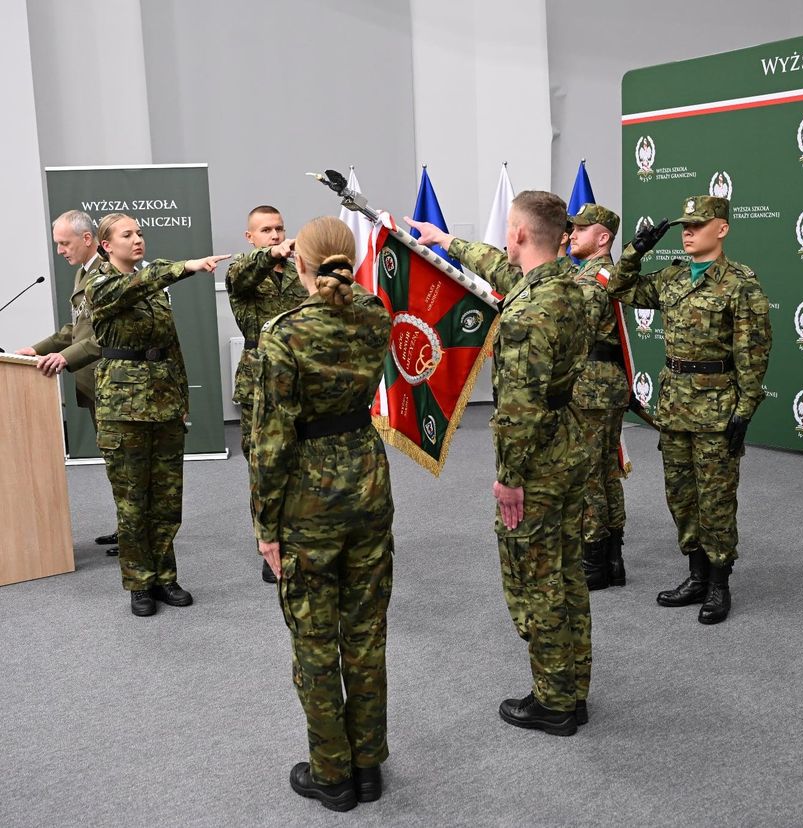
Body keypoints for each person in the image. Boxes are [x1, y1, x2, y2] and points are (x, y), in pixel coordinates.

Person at [407, 191, 591, 736]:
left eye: (507, 231)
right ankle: (572, 688)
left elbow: (517, 411)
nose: (502, 241)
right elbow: (501, 269)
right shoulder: (569, 287)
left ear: (518, 234)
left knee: (536, 582)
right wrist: (446, 243)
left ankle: (555, 701)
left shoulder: (529, 315)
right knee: (566, 571)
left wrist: (509, 479)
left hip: (536, 462)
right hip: (570, 447)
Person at [251, 216, 393, 812]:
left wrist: (265, 526)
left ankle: (330, 773)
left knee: (314, 635)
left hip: (309, 497)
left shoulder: (284, 333)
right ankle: (367, 767)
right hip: (367, 482)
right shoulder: (376, 317)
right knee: (365, 633)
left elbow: (270, 439)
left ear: (300, 266)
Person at [606, 195, 771, 625]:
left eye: (699, 224)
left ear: (723, 229)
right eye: (685, 225)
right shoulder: (672, 279)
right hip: (676, 405)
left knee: (716, 498)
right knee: (680, 495)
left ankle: (719, 582)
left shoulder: (739, 283)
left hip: (717, 406)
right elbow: (619, 289)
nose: (689, 231)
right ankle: (696, 575)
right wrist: (636, 250)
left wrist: (745, 409)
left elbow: (753, 352)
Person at [85, 213, 229, 617]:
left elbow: (171, 344)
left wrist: (182, 395)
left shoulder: (153, 288)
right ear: (105, 245)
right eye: (127, 235)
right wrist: (185, 266)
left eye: (140, 233)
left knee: (167, 498)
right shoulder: (103, 285)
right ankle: (138, 582)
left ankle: (165, 576)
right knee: (133, 501)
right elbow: (137, 284)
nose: (137, 240)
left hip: (163, 402)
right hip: (123, 408)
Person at [16, 210, 118, 553]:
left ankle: (136, 533)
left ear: (87, 239)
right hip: (93, 384)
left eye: (64, 242)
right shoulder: (82, 274)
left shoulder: (107, 273)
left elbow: (105, 336)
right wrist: (36, 349)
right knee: (114, 463)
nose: (59, 249)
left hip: (113, 383)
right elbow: (75, 330)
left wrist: (65, 357)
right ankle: (127, 527)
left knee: (124, 464)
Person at [225, 205, 309, 584]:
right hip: (258, 382)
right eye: (266, 230)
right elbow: (242, 275)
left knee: (301, 461)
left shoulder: (299, 272)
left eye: (279, 229)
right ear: (250, 237)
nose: (275, 235)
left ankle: (299, 538)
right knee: (263, 467)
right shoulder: (243, 271)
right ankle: (268, 542)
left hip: (298, 380)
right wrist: (271, 255)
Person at [566, 203, 630, 590]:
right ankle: (612, 558)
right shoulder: (602, 274)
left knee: (588, 474)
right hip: (604, 384)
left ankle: (595, 563)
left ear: (602, 237)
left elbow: (577, 330)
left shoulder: (594, 278)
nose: (571, 234)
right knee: (606, 472)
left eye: (580, 229)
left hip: (590, 386)